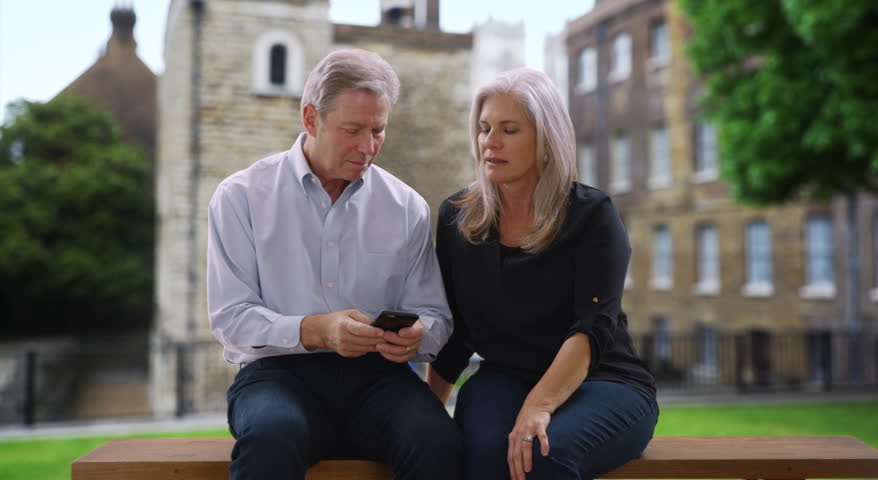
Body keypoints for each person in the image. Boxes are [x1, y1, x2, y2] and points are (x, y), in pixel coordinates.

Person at [207, 49, 462, 480]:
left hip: (381, 381)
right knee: (272, 437)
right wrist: (318, 330)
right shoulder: (240, 198)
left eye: (378, 131)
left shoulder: (407, 207)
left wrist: (419, 335)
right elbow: (231, 321)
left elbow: (435, 318)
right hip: (276, 375)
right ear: (311, 119)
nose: (368, 147)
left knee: (438, 441)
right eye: (353, 130)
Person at [427, 68, 658, 480]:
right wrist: (426, 412)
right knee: (478, 455)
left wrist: (538, 406)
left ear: (546, 139)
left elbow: (591, 328)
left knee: (543, 455)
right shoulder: (457, 218)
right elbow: (455, 330)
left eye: (509, 130)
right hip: (504, 378)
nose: (490, 142)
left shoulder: (592, 215)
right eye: (484, 128)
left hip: (604, 382)